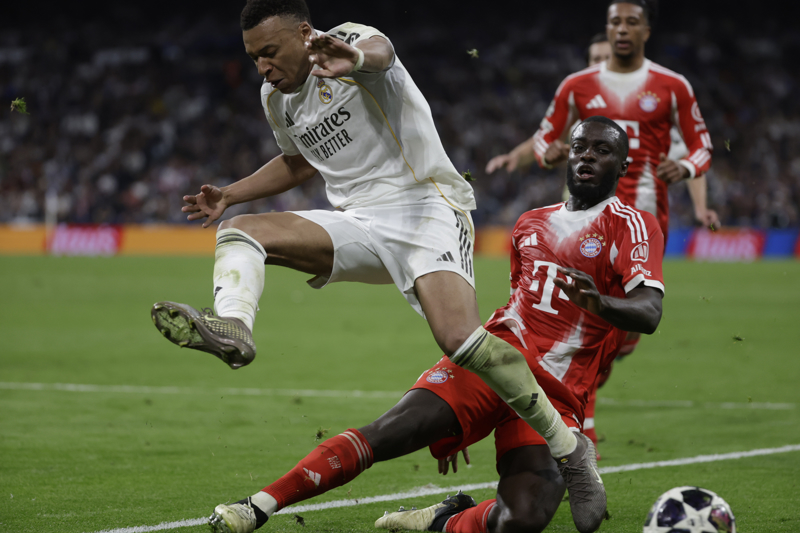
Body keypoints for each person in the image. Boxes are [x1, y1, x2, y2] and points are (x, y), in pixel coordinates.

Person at [150, 0, 602, 525]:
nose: (263, 67)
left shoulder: (350, 39)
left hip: (426, 206)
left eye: (270, 52)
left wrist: (355, 59)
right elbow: (299, 161)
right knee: (241, 232)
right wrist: (232, 193)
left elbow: (382, 53)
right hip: (360, 221)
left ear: (304, 32)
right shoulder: (276, 97)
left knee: (459, 339)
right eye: (254, 57)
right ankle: (234, 324)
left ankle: (571, 452)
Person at [207, 117, 665, 533]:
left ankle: (445, 518)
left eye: (602, 151)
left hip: (561, 390)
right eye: (581, 147)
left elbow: (649, 312)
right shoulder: (529, 224)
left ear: (622, 165)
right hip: (494, 362)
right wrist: (463, 410)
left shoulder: (633, 225)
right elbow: (514, 308)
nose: (588, 156)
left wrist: (599, 302)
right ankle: (259, 506)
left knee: (522, 520)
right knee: (388, 433)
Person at [485, 0, 715, 449]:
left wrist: (684, 168)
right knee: (581, 334)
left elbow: (703, 147)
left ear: (646, 30)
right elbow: (545, 137)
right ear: (606, 29)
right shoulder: (577, 85)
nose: (623, 30)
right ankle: (574, 444)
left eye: (632, 22)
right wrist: (542, 153)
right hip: (580, 230)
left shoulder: (672, 86)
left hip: (641, 229)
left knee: (614, 341)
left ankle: (563, 426)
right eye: (615, 22)